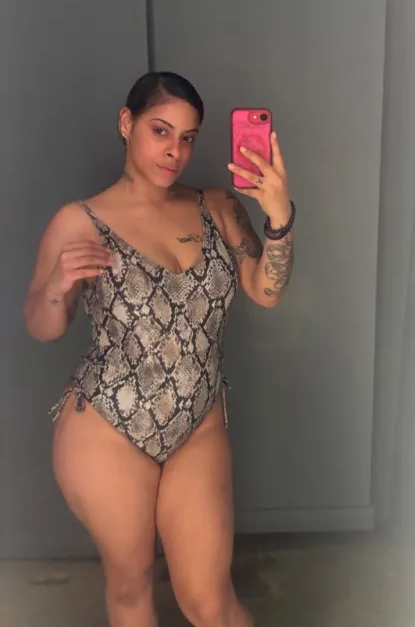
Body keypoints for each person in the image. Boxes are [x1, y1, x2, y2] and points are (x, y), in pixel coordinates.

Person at [23, 71, 295, 627]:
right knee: (132, 586)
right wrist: (56, 286)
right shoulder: (79, 221)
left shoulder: (217, 207)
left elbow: (266, 291)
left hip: (198, 425)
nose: (175, 150)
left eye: (188, 137)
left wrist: (279, 216)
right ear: (127, 123)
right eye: (161, 130)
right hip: (107, 427)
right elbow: (42, 326)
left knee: (209, 601)